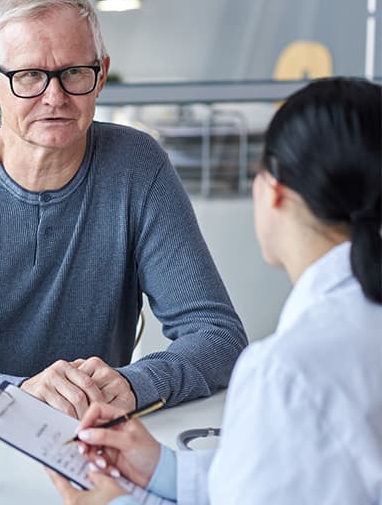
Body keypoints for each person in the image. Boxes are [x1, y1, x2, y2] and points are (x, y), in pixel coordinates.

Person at [0, 0, 247, 419]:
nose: (54, 97)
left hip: (88, 433)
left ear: (101, 74)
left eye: (74, 73)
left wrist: (135, 383)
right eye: (29, 76)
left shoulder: (138, 167)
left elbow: (218, 335)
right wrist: (16, 395)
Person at [52, 77, 381, 504]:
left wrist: (114, 502)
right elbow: (299, 474)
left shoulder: (285, 373)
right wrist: (162, 469)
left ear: (273, 190)